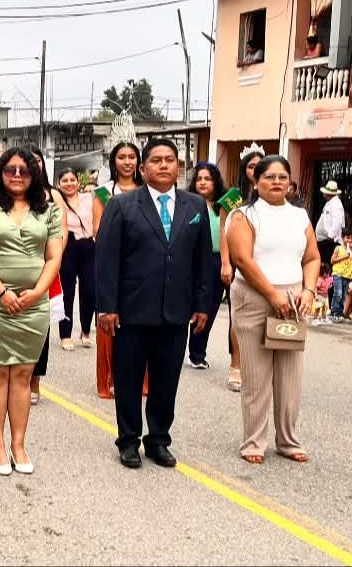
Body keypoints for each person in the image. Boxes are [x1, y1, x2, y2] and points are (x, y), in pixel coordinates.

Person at [96, 138, 212, 470]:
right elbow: (106, 259)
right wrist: (107, 306)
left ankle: (158, 440)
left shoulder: (195, 206)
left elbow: (203, 259)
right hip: (131, 311)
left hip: (176, 310)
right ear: (143, 168)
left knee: (166, 380)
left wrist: (202, 304)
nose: (163, 165)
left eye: (169, 160)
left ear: (179, 166)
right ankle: (128, 440)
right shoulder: (122, 205)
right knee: (129, 379)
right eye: (156, 160)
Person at [0, 148, 63, 475]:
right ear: (0, 173)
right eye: (11, 169)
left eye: (25, 170)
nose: (18, 175)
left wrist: (37, 292)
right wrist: (1, 292)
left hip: (33, 305)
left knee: (22, 376)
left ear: (34, 175)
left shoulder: (49, 211)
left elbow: (54, 257)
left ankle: (18, 445)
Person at [227, 155, 319, 465]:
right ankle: (254, 441)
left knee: (290, 376)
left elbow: (312, 258)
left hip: (293, 300)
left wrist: (308, 290)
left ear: (290, 182)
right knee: (256, 375)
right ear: (256, 181)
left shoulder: (300, 216)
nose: (277, 182)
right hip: (254, 297)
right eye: (269, 177)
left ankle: (288, 440)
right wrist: (271, 294)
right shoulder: (243, 215)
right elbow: (243, 260)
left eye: (282, 177)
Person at [92, 142, 144, 399]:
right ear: (114, 161)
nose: (127, 162)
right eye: (121, 157)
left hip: (143, 266)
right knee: (110, 322)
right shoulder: (103, 193)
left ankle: (142, 381)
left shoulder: (147, 191)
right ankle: (109, 380)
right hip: (113, 264)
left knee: (142, 326)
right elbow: (98, 231)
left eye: (132, 157)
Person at [25, 146, 67, 405]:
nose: (33, 164)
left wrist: (52, 259)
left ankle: (35, 381)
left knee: (41, 328)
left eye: (37, 160)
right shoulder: (8, 195)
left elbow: (62, 231)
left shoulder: (53, 195)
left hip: (45, 267)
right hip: (14, 267)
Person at [224, 149, 264, 392]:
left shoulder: (271, 196)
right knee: (238, 317)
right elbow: (225, 230)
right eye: (250, 166)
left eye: (260, 166)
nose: (255, 170)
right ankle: (236, 364)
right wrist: (226, 262)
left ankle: (257, 366)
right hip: (239, 264)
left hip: (266, 264)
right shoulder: (234, 197)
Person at [185, 162, 227, 369]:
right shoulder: (186, 204)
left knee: (208, 307)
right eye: (199, 179)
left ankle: (197, 353)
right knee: (187, 304)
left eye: (208, 179)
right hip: (190, 261)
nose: (202, 182)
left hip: (217, 260)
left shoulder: (224, 207)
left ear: (216, 182)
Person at [56, 168, 95, 351]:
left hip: (89, 247)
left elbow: (109, 201)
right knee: (67, 293)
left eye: (72, 180)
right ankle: (65, 335)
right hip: (68, 247)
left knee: (90, 291)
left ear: (78, 182)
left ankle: (85, 331)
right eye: (65, 180)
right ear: (58, 185)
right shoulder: (57, 201)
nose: (69, 183)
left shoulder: (90, 197)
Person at [328, 231, 352, 321]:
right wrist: (344, 257)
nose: (350, 240)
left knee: (344, 294)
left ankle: (340, 311)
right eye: (348, 238)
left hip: (347, 275)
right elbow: (332, 260)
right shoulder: (339, 248)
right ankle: (334, 311)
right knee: (338, 293)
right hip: (338, 273)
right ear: (343, 238)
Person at [314, 181, 345, 265]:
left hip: (329, 241)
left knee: (327, 263)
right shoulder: (329, 203)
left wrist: (330, 235)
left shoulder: (336, 204)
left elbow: (338, 222)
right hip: (324, 240)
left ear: (328, 194)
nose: (323, 194)